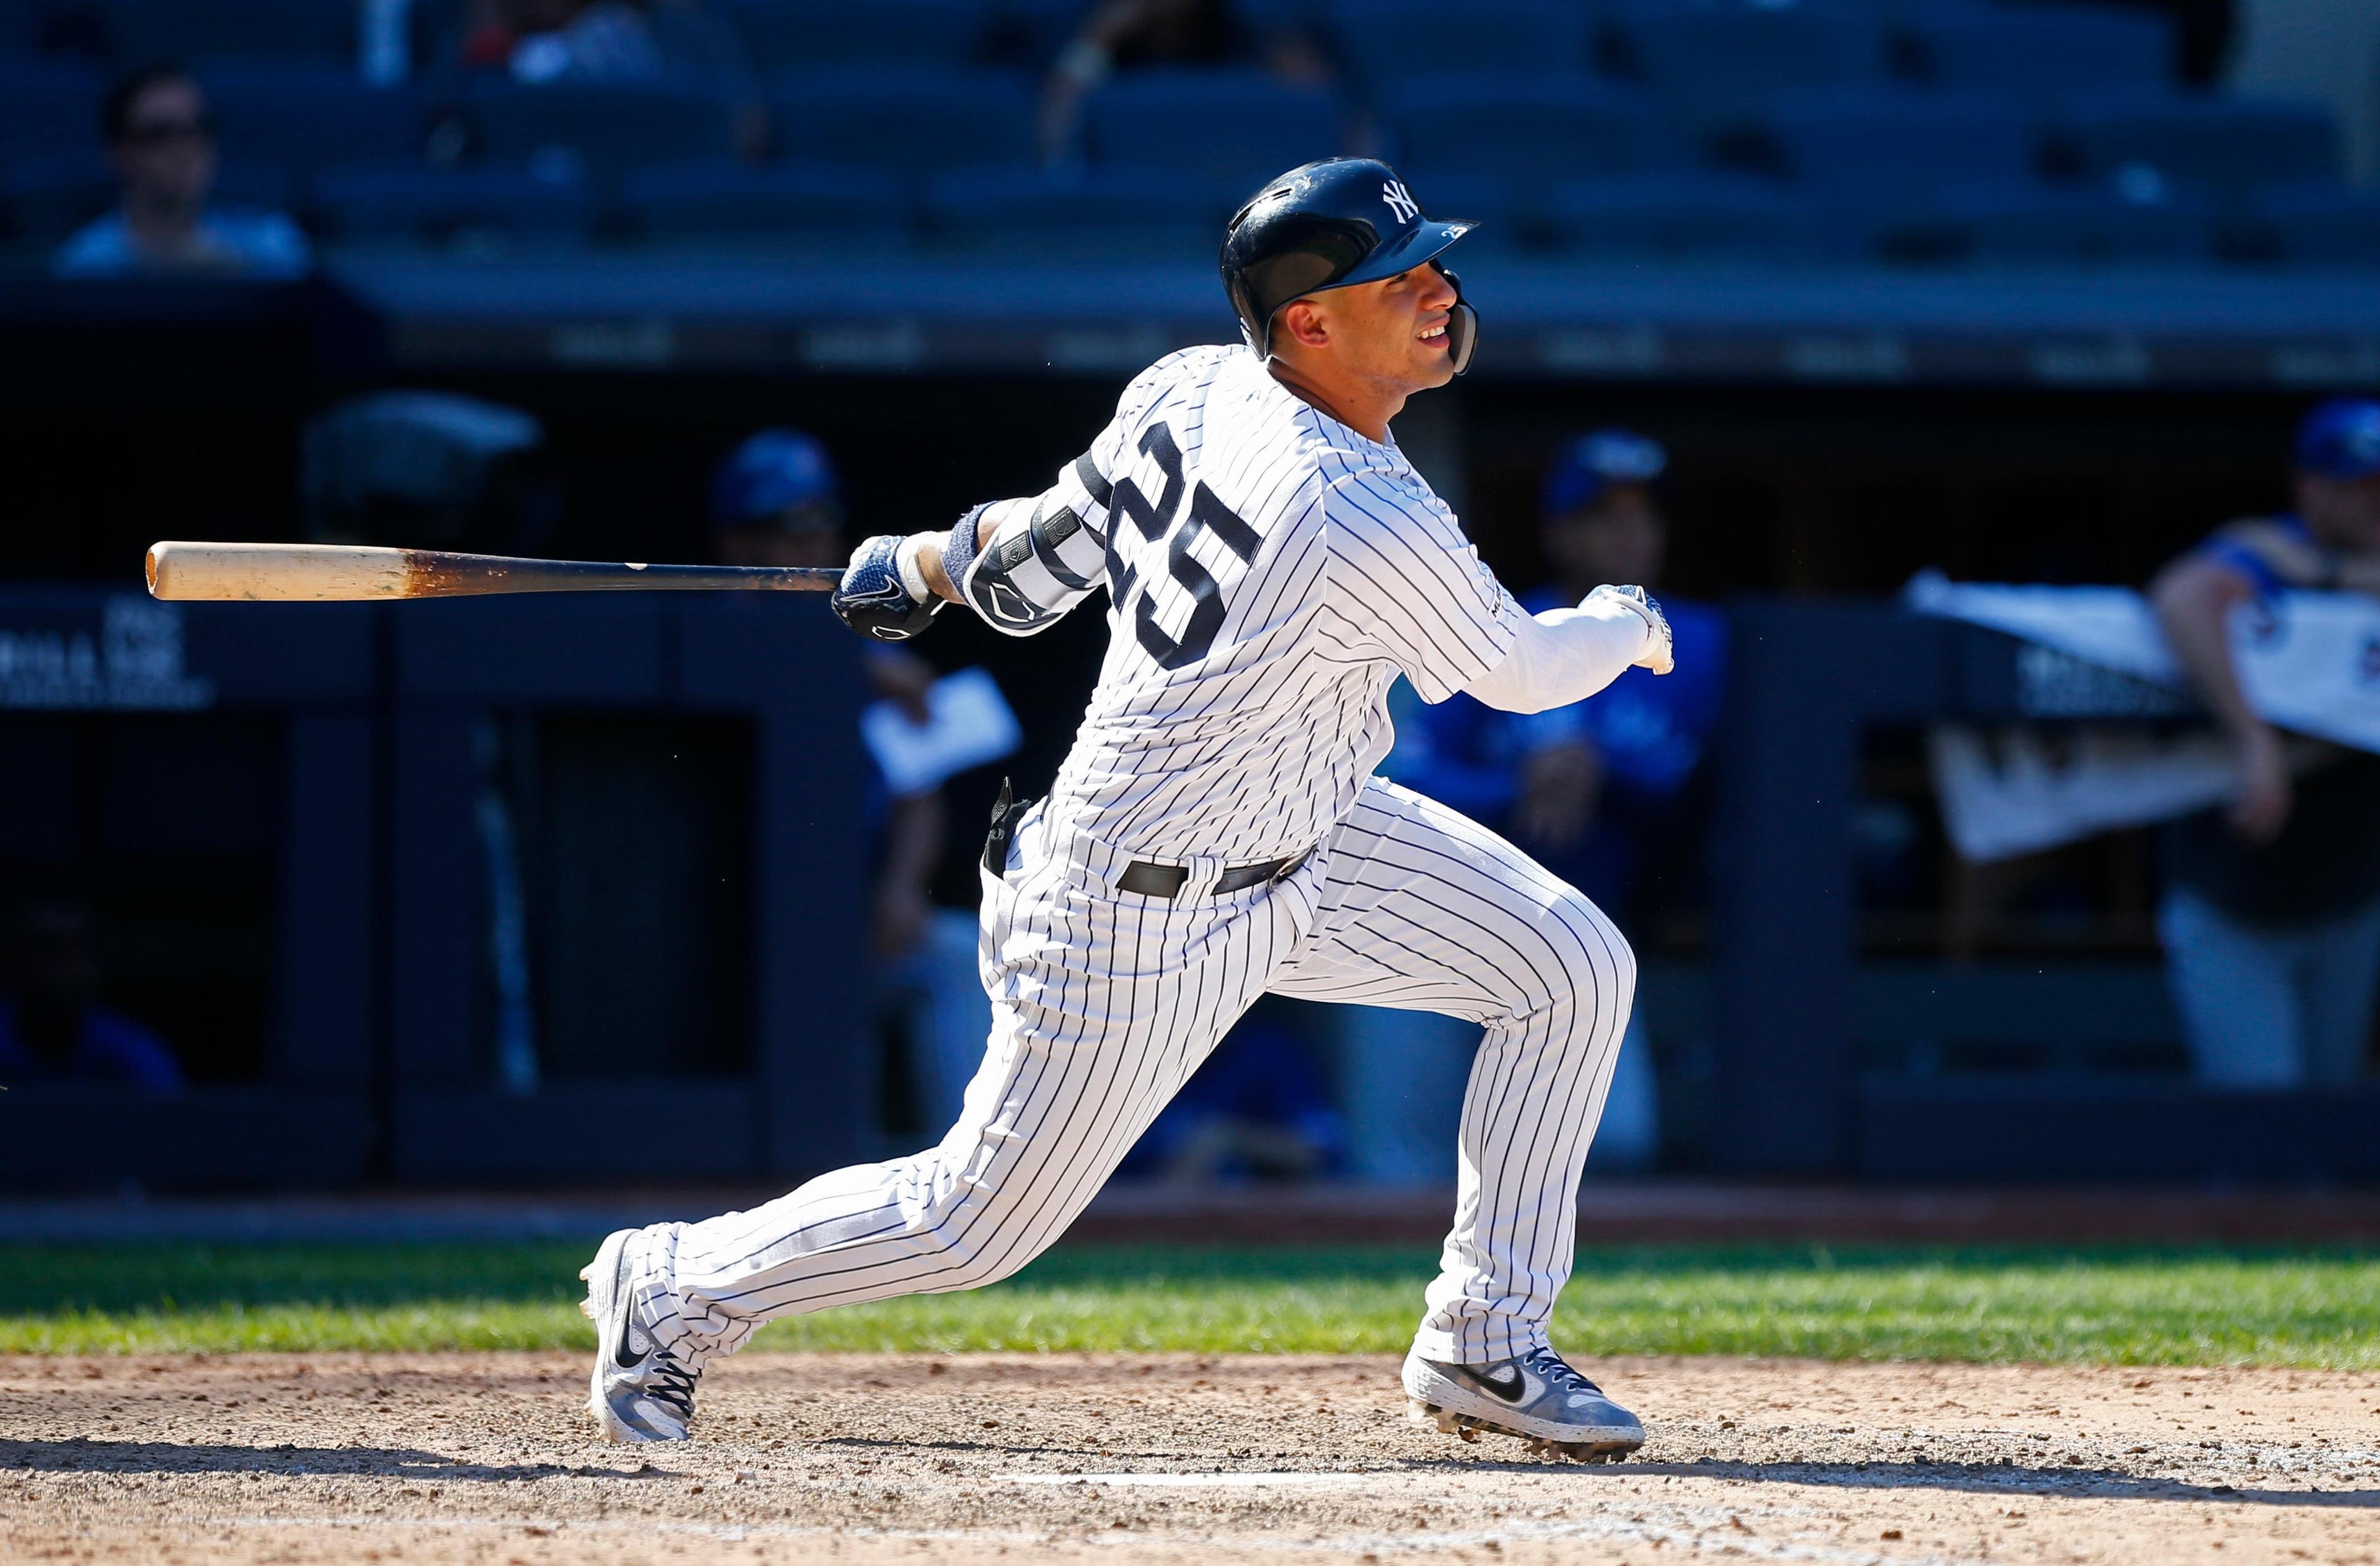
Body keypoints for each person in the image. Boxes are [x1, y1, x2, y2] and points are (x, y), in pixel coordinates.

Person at [582, 157, 1673, 1461]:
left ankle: (1486, 1342)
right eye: (1402, 275)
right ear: (1311, 322)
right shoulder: (1359, 508)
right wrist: (1621, 622)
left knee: (1568, 966)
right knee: (973, 1221)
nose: (1440, 288)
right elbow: (1525, 675)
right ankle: (673, 1286)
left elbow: (1033, 567)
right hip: (1137, 900)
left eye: (1437, 260)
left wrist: (922, 560)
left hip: (1313, 829)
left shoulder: (1190, 384)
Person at [1368, 431, 1726, 1174]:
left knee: (1615, 1145)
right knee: (1404, 1158)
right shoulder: (1501, 624)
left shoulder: (1696, 639)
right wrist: (1518, 785)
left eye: (1645, 514)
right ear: (1560, 530)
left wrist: (1600, 771)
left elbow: (1695, 781)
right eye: (1604, 514)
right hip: (1452, 921)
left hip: (1600, 923)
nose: (1631, 532)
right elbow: (1407, 774)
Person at [711, 429, 1009, 1128]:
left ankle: (970, 1178)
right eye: (786, 529)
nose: (809, 548)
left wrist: (901, 887)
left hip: (844, 918)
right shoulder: (714, 635)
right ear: (738, 542)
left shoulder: (862, 642)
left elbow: (917, 790)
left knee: (955, 952)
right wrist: (848, 674)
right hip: (734, 925)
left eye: (820, 525)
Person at [2148, 397, 2380, 1087]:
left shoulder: (2309, 565)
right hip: (2235, 899)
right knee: (2264, 1123)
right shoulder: (2265, 552)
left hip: (2352, 900)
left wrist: (2331, 577)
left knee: (2331, 1125)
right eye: (2361, 487)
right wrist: (2255, 743)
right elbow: (2184, 596)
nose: (2378, 503)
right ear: (2310, 488)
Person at [54, 66, 311, 279]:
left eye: (198, 128)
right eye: (159, 134)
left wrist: (237, 272)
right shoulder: (86, 264)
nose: (184, 150)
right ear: (120, 154)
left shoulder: (270, 244)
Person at [0, 900, 182, 1093]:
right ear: (13, 963)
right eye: (52, 951)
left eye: (81, 951)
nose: (71, 969)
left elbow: (170, 1111)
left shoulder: (135, 1052)